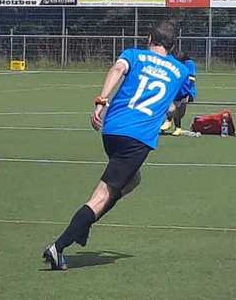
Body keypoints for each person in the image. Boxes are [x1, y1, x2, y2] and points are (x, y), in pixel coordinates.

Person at [43, 21, 189, 271]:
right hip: (137, 138)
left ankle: (85, 223)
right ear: (173, 46)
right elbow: (174, 105)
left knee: (132, 180)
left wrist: (101, 100)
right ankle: (59, 246)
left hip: (112, 130)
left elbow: (117, 69)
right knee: (102, 195)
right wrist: (169, 111)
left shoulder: (133, 54)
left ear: (149, 38)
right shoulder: (181, 71)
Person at [161, 51, 197, 135]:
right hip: (174, 91)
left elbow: (191, 79)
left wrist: (188, 92)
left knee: (179, 112)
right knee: (172, 107)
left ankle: (171, 122)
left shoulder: (189, 64)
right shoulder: (172, 61)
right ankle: (173, 124)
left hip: (185, 91)